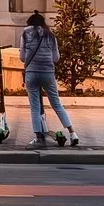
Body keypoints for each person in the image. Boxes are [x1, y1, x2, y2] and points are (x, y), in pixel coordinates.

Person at [18, 10, 78, 146]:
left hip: (32, 72)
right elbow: (56, 58)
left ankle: (39, 137)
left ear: (29, 23)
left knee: (35, 106)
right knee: (56, 104)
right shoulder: (50, 35)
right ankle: (72, 133)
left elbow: (22, 57)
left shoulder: (25, 34)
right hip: (47, 72)